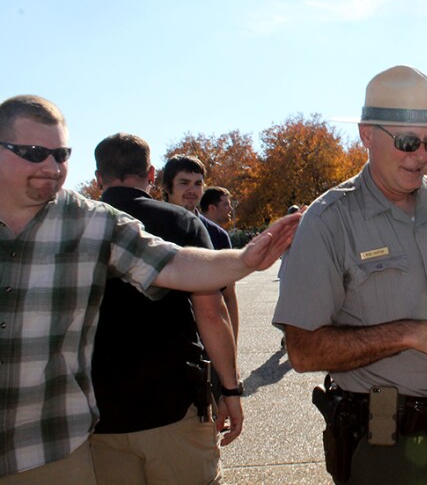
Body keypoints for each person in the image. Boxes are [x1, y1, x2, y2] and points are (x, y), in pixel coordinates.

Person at [0, 95, 299, 482]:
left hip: (51, 448)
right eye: (34, 152)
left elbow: (173, 263)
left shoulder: (93, 222)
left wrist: (243, 261)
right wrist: (229, 387)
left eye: (61, 154)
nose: (52, 167)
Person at [274, 65, 427, 485]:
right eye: (406, 142)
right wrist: (409, 333)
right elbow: (303, 350)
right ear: (366, 134)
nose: (422, 157)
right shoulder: (330, 220)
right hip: (387, 450)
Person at [89, 133, 241, 484]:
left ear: (98, 177)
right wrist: (230, 390)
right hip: (173, 405)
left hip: (98, 413)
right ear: (153, 174)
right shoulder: (183, 224)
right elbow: (211, 313)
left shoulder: (78, 225)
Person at [164, 156, 239, 341]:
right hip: (165, 342)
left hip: (209, 343)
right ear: (166, 187)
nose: (192, 190)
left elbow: (229, 297)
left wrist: (232, 354)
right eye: (184, 182)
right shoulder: (150, 228)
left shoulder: (218, 235)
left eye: (198, 183)